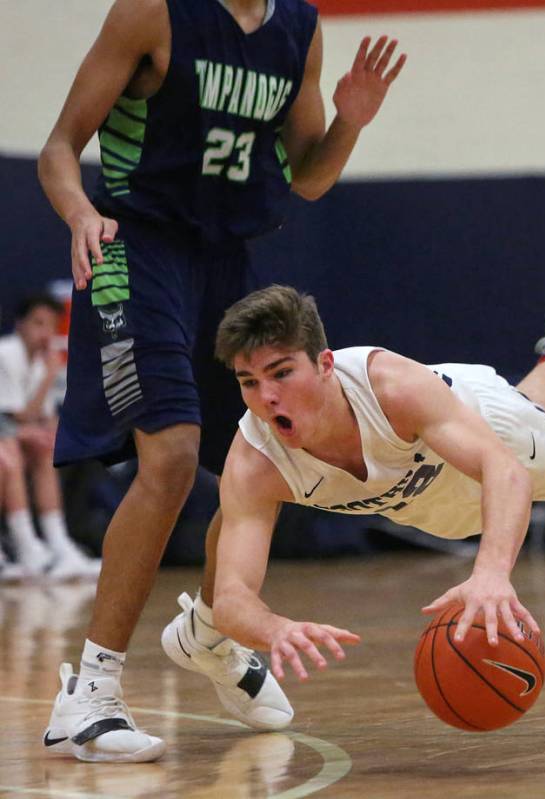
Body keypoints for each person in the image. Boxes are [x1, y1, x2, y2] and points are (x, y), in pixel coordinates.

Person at [38, 0, 405, 762]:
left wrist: (351, 120)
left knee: (264, 461)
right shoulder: (152, 12)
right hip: (133, 246)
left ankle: (209, 633)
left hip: (226, 261)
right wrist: (78, 212)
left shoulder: (296, 29)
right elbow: (59, 148)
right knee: (169, 458)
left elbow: (308, 178)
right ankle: (89, 694)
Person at [202, 284, 545, 683]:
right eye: (248, 382)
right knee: (531, 432)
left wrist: (492, 574)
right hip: (428, 496)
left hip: (484, 425)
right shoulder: (255, 462)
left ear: (325, 365)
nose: (266, 397)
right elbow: (230, 598)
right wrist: (275, 628)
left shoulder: (391, 388)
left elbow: (505, 472)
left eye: (282, 373)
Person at [0, 295, 101, 580]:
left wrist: (52, 429)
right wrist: (49, 377)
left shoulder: (40, 360)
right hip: (6, 436)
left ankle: (58, 544)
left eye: (51, 325)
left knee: (46, 450)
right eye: (38, 323)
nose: (45, 333)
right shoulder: (7, 353)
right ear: (20, 324)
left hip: (9, 434)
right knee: (11, 454)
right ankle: (24, 543)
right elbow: (19, 417)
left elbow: (39, 417)